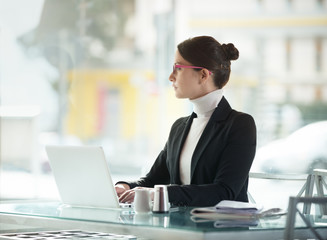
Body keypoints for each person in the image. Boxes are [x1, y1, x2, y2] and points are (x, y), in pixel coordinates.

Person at [115, 36, 256, 207]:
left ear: (203, 75)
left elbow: (224, 192)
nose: (171, 76)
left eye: (178, 68)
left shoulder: (239, 125)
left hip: (221, 230)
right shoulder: (179, 127)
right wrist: (124, 187)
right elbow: (153, 181)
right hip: (181, 229)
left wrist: (163, 193)